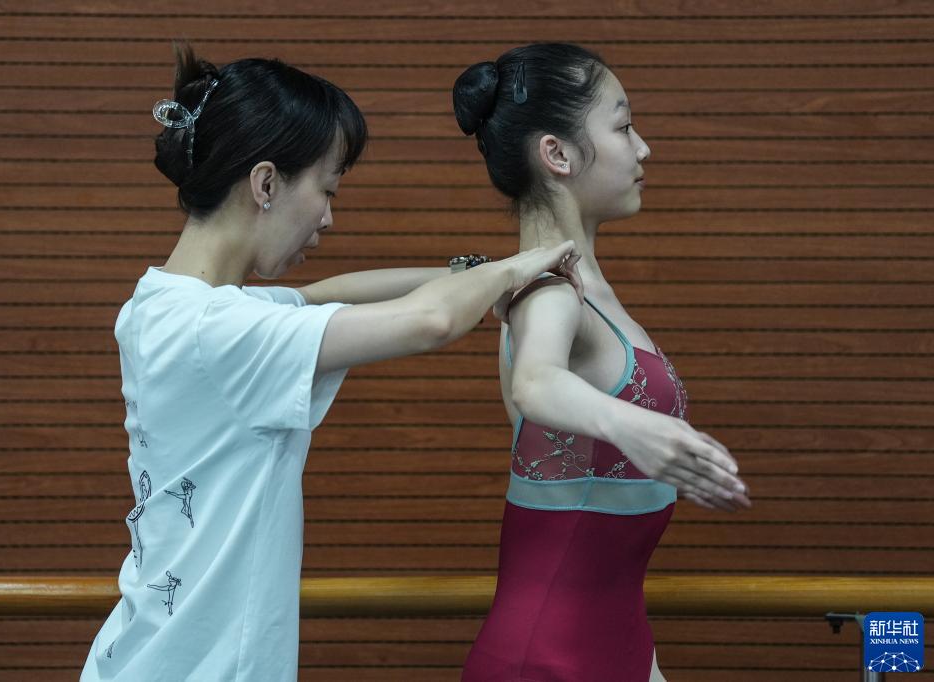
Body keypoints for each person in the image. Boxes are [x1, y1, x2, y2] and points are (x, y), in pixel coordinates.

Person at [79, 44, 582, 681]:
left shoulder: (165, 305)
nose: (328, 217)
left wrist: (478, 274)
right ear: (266, 184)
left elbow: (327, 295)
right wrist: (518, 268)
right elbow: (430, 321)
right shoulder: (219, 329)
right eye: (325, 190)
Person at [452, 43, 753, 682]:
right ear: (557, 154)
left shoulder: (581, 289)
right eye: (623, 127)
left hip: (614, 651)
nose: (643, 148)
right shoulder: (550, 291)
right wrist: (633, 425)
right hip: (546, 660)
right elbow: (537, 382)